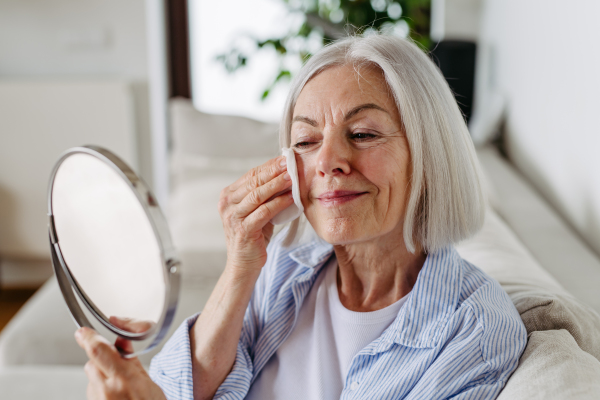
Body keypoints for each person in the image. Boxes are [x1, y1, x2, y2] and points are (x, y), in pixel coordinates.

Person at [75, 34, 527, 400]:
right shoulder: (283, 275)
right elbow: (180, 391)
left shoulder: (476, 332)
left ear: (431, 156)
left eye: (363, 133)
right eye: (306, 142)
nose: (328, 161)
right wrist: (240, 265)